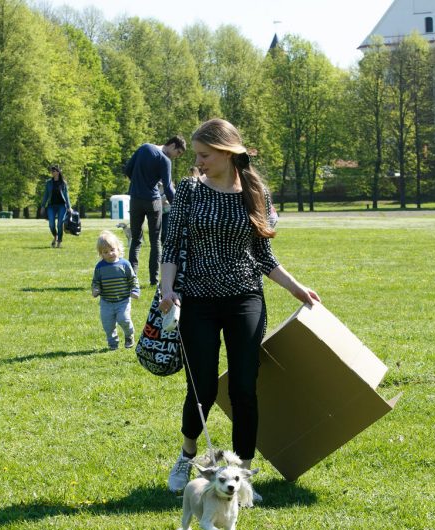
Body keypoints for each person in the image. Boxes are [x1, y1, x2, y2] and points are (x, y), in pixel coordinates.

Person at [159, 119, 320, 498]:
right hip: (196, 300)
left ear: (228, 153)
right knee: (202, 387)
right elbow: (172, 244)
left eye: (204, 155)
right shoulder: (189, 190)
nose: (197, 162)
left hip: (245, 297)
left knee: (245, 388)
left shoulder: (255, 191)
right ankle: (186, 455)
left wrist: (297, 289)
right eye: (196, 155)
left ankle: (243, 475)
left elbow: (263, 254)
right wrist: (168, 289)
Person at [123, 136, 186, 286]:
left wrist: (139, 183)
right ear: (171, 145)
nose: (176, 157)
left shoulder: (144, 147)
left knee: (136, 240)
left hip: (135, 200)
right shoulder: (165, 160)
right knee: (155, 241)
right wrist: (179, 207)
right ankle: (153, 279)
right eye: (177, 153)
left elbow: (127, 169)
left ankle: (133, 277)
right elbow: (169, 189)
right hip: (153, 201)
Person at [92, 230, 140, 350]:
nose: (110, 254)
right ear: (101, 254)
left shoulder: (124, 264)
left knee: (124, 319)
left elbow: (133, 279)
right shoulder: (100, 267)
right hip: (106, 301)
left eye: (112, 250)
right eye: (106, 252)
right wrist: (95, 290)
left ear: (118, 249)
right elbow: (96, 281)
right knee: (108, 324)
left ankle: (129, 335)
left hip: (122, 300)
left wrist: (135, 290)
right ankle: (113, 343)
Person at [41, 165, 71, 248]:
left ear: (58, 172)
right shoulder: (49, 183)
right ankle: (55, 236)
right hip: (51, 206)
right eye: (52, 171)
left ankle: (59, 241)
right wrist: (43, 206)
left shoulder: (63, 183)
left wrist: (69, 207)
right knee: (51, 224)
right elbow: (46, 195)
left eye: (54, 171)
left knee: (60, 224)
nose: (52, 172)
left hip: (62, 206)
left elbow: (66, 195)